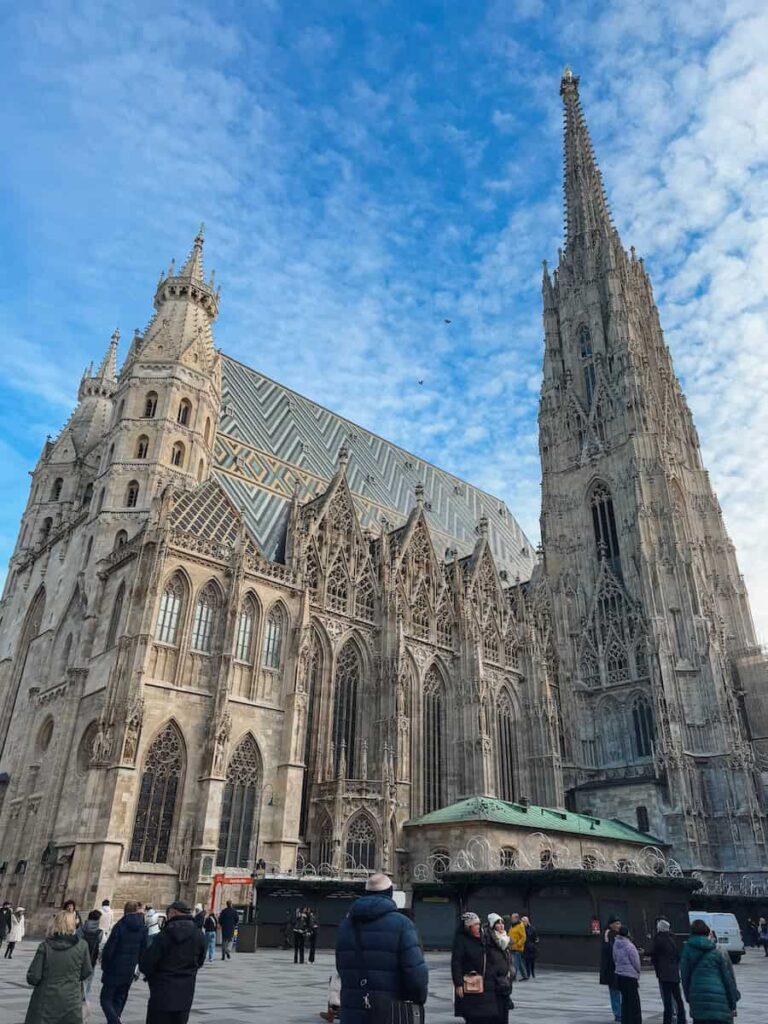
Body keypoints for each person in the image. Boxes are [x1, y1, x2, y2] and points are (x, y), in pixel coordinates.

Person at [336, 872, 428, 1024]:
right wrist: (417, 998)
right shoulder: (403, 925)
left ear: (365, 893)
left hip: (352, 1010)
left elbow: (341, 966)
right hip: (390, 1012)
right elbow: (415, 973)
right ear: (390, 893)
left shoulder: (346, 925)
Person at [139, 899, 206, 1024]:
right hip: (185, 993)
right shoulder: (198, 934)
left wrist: (152, 976)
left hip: (162, 991)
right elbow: (201, 960)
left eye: (168, 913)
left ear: (174, 913)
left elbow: (148, 962)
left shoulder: (165, 934)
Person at [24, 910, 92, 1024]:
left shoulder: (45, 946)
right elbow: (87, 971)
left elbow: (33, 977)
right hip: (71, 1001)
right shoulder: (82, 946)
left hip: (45, 1000)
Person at [452, 911, 508, 1023]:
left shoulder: (484, 939)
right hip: (471, 984)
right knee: (474, 1016)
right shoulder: (461, 941)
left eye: (479, 924)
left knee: (488, 1015)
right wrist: (458, 983)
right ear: (468, 927)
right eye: (476, 925)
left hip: (488, 983)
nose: (479, 927)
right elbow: (456, 963)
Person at [681, 919, 740, 1024]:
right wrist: (732, 1004)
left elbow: (685, 978)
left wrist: (689, 998)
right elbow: (727, 979)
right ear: (707, 932)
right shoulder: (716, 951)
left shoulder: (687, 950)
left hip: (698, 1001)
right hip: (719, 1002)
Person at [100, 899, 148, 1024]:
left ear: (125, 910)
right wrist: (139, 968)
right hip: (130, 969)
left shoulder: (120, 925)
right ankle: (115, 1019)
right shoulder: (143, 928)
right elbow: (144, 951)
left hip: (114, 967)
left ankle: (115, 1021)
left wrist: (105, 965)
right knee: (120, 997)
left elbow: (110, 948)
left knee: (105, 999)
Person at [650, 919, 686, 1024]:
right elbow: (677, 955)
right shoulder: (672, 938)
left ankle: (668, 1020)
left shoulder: (659, 939)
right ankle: (681, 1019)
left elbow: (654, 953)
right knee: (678, 998)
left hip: (664, 973)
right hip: (674, 972)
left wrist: (646, 954)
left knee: (667, 999)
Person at [613, 925, 642, 1024]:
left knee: (625, 1000)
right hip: (630, 976)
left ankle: (625, 1020)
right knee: (634, 1002)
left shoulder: (615, 944)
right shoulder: (630, 946)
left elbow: (615, 958)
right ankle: (635, 1021)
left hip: (620, 975)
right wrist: (638, 972)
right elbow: (636, 962)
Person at [600, 915, 623, 1023]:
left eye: (619, 923)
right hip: (611, 968)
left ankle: (620, 1012)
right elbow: (609, 949)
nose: (619, 925)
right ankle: (618, 1013)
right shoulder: (608, 934)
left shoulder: (617, 934)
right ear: (611, 924)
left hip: (618, 967)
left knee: (619, 991)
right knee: (615, 991)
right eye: (617, 923)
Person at [81, 909, 104, 1003]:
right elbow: (102, 946)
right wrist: (100, 958)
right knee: (88, 981)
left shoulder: (81, 930)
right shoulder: (100, 932)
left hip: (79, 960)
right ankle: (84, 999)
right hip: (91, 960)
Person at [507, 912, 528, 981]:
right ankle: (525, 975)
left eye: (512, 918)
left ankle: (513, 976)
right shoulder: (513, 926)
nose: (511, 919)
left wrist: (518, 944)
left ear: (516, 918)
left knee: (514, 963)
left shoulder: (520, 926)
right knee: (520, 962)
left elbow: (523, 937)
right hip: (512, 946)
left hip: (517, 948)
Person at [522, 915, 538, 980]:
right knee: (526, 961)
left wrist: (534, 944)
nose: (522, 922)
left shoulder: (532, 928)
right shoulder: (522, 928)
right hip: (525, 947)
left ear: (527, 921)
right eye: (522, 921)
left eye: (524, 921)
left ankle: (532, 972)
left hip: (531, 947)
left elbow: (535, 937)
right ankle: (528, 974)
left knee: (532, 961)